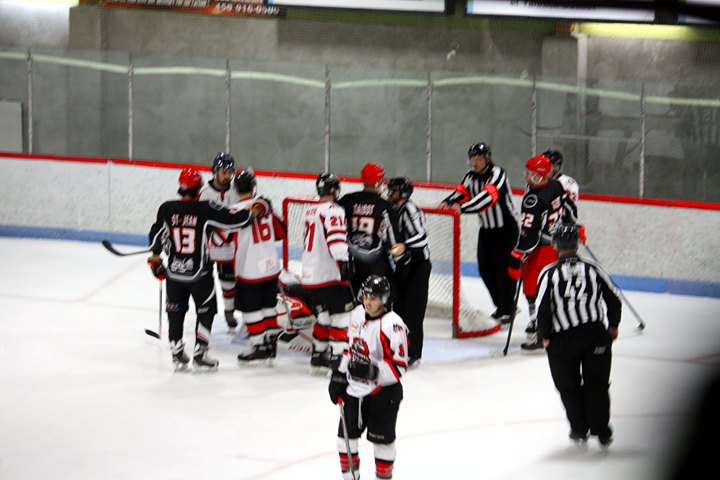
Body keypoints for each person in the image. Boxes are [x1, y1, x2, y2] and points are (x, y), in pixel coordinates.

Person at [147, 168, 263, 372]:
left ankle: (176, 349)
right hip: (199, 273)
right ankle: (200, 352)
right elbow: (236, 220)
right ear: (199, 186)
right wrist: (251, 211)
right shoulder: (205, 208)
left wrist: (155, 260)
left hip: (174, 273)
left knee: (175, 309)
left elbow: (156, 237)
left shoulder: (166, 208)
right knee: (206, 311)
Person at [536, 223, 621, 452]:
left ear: (555, 245)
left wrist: (544, 336)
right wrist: (613, 326)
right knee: (597, 385)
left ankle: (579, 430)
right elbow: (614, 297)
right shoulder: (594, 268)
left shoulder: (548, 272)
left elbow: (542, 308)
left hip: (562, 340)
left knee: (569, 387)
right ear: (577, 244)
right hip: (596, 336)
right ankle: (602, 432)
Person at [328, 275, 408, 480]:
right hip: (355, 390)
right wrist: (339, 374)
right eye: (366, 296)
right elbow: (349, 348)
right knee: (343, 440)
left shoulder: (393, 324)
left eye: (374, 297)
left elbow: (400, 367)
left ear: (384, 299)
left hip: (383, 393)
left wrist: (372, 371)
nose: (368, 302)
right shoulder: (356, 315)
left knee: (382, 444)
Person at [439, 142, 519, 325]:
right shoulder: (470, 176)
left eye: (479, 159)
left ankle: (507, 309)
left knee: (503, 271)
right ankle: (504, 306)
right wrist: (447, 201)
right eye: (472, 159)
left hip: (506, 230)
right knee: (485, 269)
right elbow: (460, 192)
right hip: (487, 230)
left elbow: (487, 198)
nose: (474, 163)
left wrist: (462, 208)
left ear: (488, 159)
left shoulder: (498, 174)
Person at [284, 173, 355, 371]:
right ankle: (338, 359)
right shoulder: (334, 210)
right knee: (342, 316)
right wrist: (346, 260)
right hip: (328, 275)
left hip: (309, 275)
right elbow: (336, 244)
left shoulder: (309, 211)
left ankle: (318, 355)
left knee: (324, 316)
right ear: (335, 190)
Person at [507, 155, 578, 351]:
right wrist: (573, 229)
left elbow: (529, 234)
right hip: (557, 247)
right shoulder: (556, 185)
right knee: (552, 287)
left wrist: (517, 255)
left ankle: (540, 327)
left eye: (529, 173)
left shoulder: (533, 199)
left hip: (540, 251)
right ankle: (550, 323)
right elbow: (570, 209)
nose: (525, 175)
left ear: (538, 175)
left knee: (532, 289)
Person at [232, 169, 287, 364]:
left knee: (251, 310)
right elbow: (282, 232)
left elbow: (223, 240)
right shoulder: (266, 205)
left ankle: (258, 346)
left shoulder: (234, 211)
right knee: (268, 306)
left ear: (235, 188)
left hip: (249, 269)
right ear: (254, 187)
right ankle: (271, 343)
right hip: (271, 267)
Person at [338, 162, 401, 306]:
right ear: (379, 182)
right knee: (381, 304)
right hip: (377, 266)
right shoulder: (384, 206)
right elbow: (392, 242)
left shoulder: (347, 200)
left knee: (355, 306)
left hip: (351, 264)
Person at [387, 177, 431, 368]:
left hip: (418, 267)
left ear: (401, 193)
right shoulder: (396, 210)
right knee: (399, 308)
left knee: (412, 311)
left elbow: (421, 237)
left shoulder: (409, 209)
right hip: (406, 266)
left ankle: (413, 353)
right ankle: (400, 349)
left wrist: (404, 245)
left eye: (393, 190)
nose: (389, 193)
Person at [198, 152, 241, 331]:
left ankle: (229, 312)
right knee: (204, 284)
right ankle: (206, 313)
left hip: (228, 248)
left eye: (230, 172)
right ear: (215, 171)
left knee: (228, 283)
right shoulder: (204, 193)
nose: (227, 176)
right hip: (207, 249)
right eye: (223, 172)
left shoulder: (235, 191)